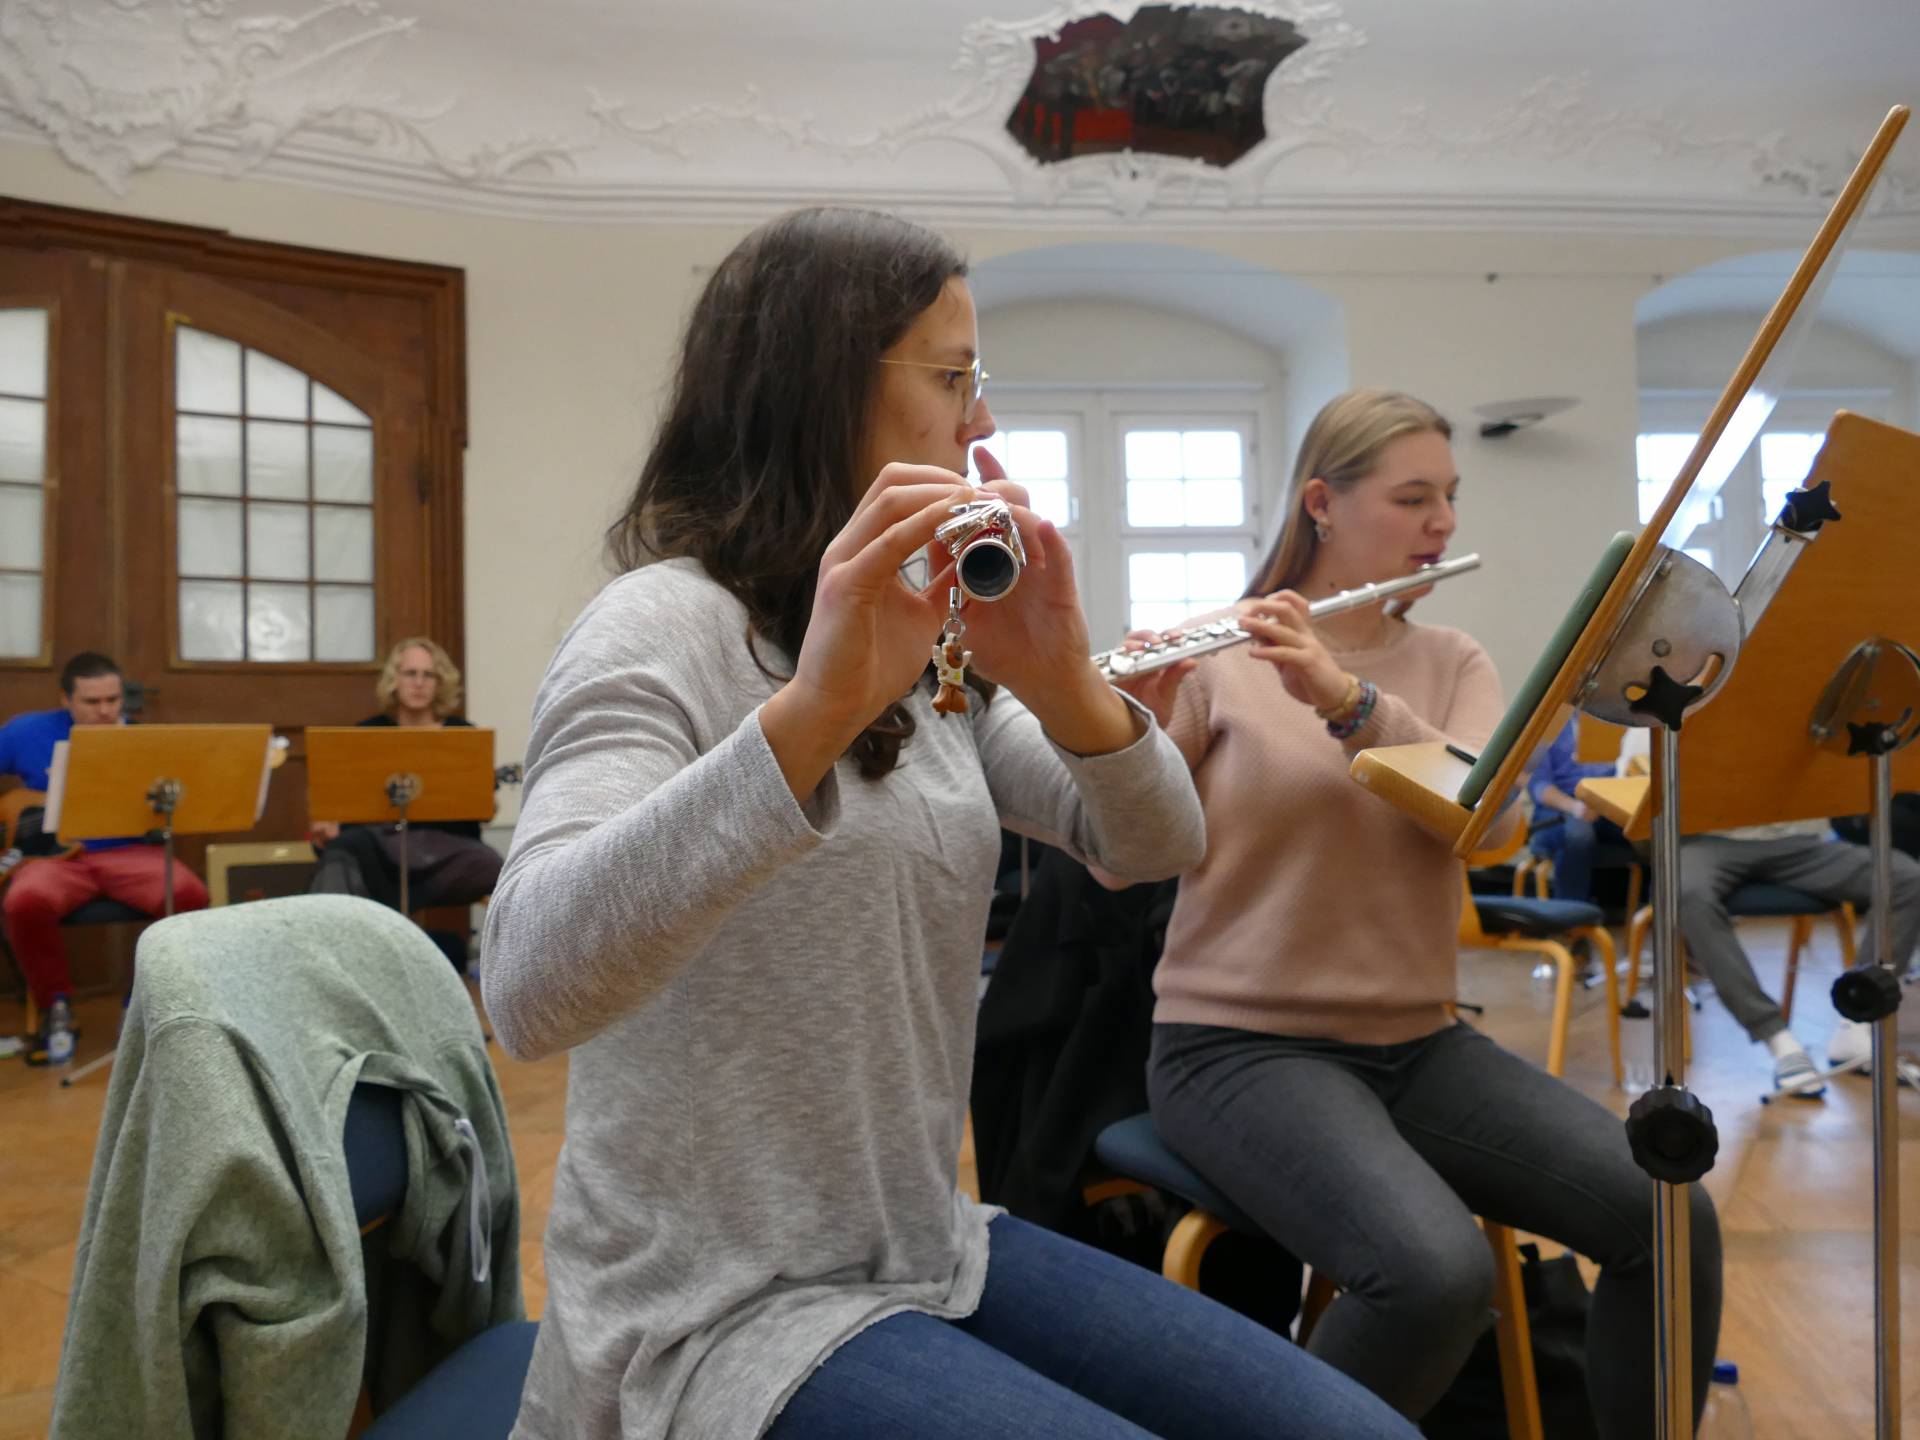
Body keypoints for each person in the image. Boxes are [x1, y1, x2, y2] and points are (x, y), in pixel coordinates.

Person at [479, 209, 1416, 1440]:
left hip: (928, 1248)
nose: (981, 422)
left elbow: (1153, 844)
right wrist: (814, 714)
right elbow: (531, 992)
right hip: (711, 1312)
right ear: (818, 389)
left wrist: (1067, 681)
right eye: (953, 378)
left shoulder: (931, 652)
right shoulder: (660, 629)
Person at [1126, 390, 1722, 1434]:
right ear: (1323, 503)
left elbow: (1486, 829)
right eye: (1413, 498)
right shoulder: (1214, 653)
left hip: (1417, 1045)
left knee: (1668, 1211)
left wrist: (1347, 702)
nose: (1443, 522)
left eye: (1449, 496)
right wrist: (1114, 728)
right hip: (1234, 1050)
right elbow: (1123, 857)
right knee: (1433, 1273)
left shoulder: (1454, 663)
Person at [1616, 728, 1920, 1096]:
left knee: (1905, 878)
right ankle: (1777, 1039)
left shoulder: (1784, 709)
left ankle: (1858, 1023)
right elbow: (1633, 806)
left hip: (1793, 841)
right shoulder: (1653, 716)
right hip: (1705, 841)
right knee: (1685, 892)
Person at [0, 652, 209, 1065]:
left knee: (189, 894)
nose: (105, 711)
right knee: (23, 902)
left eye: (113, 701)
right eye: (92, 702)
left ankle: (140, 1006)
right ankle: (54, 1007)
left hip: (129, 854)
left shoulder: (142, 740)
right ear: (66, 699)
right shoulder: (25, 731)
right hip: (56, 861)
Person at [307, 637, 504, 937]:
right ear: (394, 680)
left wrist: (486, 800)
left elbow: (486, 811)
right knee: (342, 850)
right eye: (410, 674)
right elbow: (336, 800)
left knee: (490, 864)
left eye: (429, 675)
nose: (419, 683)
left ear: (440, 683)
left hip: (444, 851)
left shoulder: (463, 735)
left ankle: (390, 918)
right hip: (378, 845)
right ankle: (328, 942)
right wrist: (328, 818)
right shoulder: (366, 733)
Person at [1526, 714, 1629, 905]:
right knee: (1579, 834)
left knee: (1653, 829)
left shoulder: (1616, 721)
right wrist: (1574, 807)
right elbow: (1538, 785)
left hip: (1608, 802)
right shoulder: (1548, 722)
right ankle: (1570, 922)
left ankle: (1653, 918)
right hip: (1559, 807)